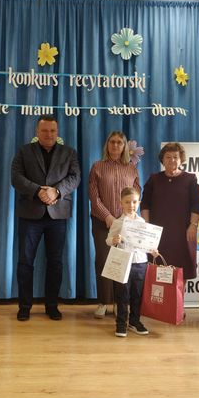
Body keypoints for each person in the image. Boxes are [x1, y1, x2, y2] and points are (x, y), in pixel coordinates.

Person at [11, 115, 81, 322]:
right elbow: (16, 177)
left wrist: (56, 192)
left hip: (57, 216)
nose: (49, 134)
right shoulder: (24, 151)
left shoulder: (69, 152)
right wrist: (38, 191)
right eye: (44, 130)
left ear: (57, 132)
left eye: (52, 130)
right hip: (30, 214)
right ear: (37, 132)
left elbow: (75, 178)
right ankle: (24, 306)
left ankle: (52, 306)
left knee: (55, 263)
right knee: (25, 262)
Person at [89, 131, 141, 318]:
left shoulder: (132, 168)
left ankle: (120, 302)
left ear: (125, 146)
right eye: (112, 142)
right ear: (107, 144)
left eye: (120, 142)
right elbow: (94, 196)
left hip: (126, 224)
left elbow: (137, 193)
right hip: (102, 222)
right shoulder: (97, 166)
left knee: (123, 261)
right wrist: (108, 217)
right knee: (103, 260)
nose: (116, 145)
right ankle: (104, 301)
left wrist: (127, 217)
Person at [140, 143, 199, 287]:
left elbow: (196, 204)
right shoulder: (154, 179)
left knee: (182, 269)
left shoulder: (190, 179)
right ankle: (162, 302)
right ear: (162, 159)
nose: (172, 160)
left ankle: (179, 300)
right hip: (158, 234)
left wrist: (193, 226)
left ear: (181, 159)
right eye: (168, 157)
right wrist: (147, 227)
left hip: (183, 233)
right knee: (158, 268)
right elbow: (145, 204)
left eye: (175, 157)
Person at [106, 187, 157, 338]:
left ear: (139, 202)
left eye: (134, 202)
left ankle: (134, 322)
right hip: (123, 263)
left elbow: (147, 243)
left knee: (137, 295)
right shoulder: (118, 222)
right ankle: (121, 324)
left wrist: (153, 251)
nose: (131, 205)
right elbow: (108, 240)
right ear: (121, 203)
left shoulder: (142, 222)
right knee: (122, 295)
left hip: (140, 263)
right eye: (127, 202)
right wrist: (114, 240)